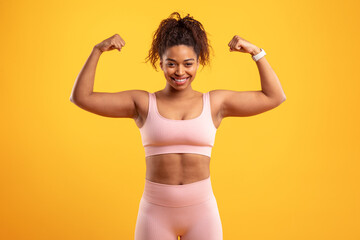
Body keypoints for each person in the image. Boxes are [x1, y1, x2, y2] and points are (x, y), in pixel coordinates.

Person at [70, 11, 286, 240]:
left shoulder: (215, 104)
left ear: (198, 62)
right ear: (160, 63)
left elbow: (274, 96)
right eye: (171, 64)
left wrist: (256, 52)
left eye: (188, 64)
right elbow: (82, 97)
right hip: (155, 214)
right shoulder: (143, 103)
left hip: (202, 214)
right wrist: (97, 51)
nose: (180, 72)